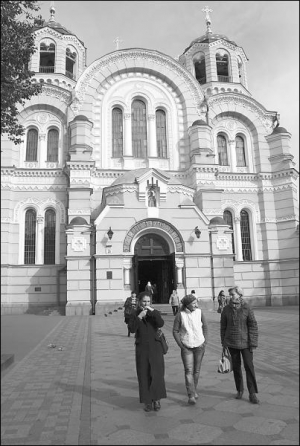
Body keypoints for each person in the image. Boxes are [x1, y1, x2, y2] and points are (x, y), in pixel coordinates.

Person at [128, 291, 167, 412]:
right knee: (144, 374)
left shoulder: (154, 313)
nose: (146, 303)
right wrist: (139, 317)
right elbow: (132, 329)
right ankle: (147, 401)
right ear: (139, 302)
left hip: (155, 347)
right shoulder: (135, 313)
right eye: (144, 301)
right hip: (142, 348)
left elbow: (161, 323)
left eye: (148, 301)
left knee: (157, 374)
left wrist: (152, 312)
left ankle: (157, 399)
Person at [220, 286, 259, 404]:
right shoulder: (226, 309)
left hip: (246, 343)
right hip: (231, 343)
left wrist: (253, 343)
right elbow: (223, 327)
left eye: (232, 294)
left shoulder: (247, 308)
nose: (230, 296)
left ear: (239, 295)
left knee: (249, 367)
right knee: (236, 368)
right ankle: (239, 389)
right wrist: (224, 342)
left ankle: (252, 393)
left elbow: (253, 326)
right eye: (230, 294)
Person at [172, 293, 208, 405]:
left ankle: (194, 389)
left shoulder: (200, 312)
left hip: (199, 345)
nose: (196, 304)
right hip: (186, 346)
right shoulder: (180, 315)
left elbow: (205, 326)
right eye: (194, 303)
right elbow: (175, 331)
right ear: (187, 305)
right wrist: (180, 344)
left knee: (196, 371)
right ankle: (191, 395)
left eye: (196, 302)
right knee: (188, 370)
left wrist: (205, 341)